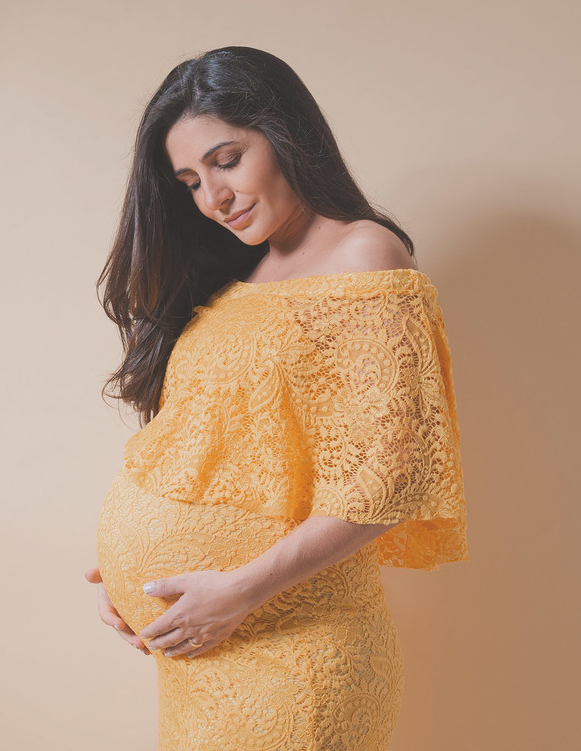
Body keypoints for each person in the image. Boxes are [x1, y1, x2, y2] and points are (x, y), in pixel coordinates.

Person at [85, 46, 469, 751]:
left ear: (286, 134)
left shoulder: (365, 253)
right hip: (205, 655)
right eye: (190, 181)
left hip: (294, 654)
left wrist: (237, 591)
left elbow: (394, 477)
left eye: (227, 160)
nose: (212, 197)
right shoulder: (245, 275)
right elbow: (226, 448)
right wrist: (131, 574)